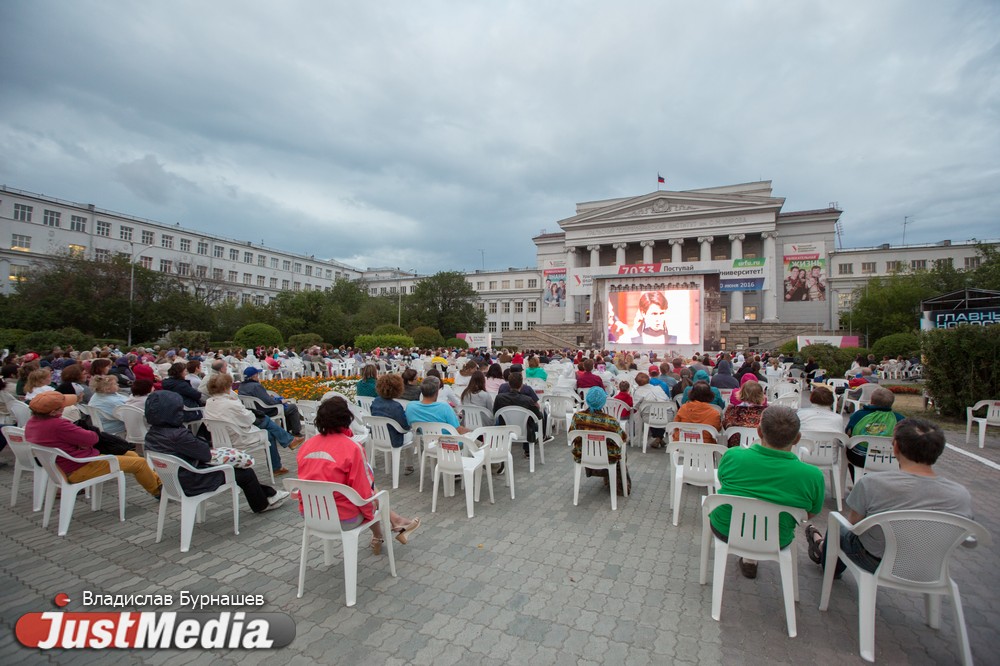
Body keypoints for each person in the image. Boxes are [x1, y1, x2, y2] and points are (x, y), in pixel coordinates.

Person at [804, 418, 972, 578]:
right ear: (939, 450)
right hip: (930, 567)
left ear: (896, 447)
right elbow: (966, 537)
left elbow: (854, 524)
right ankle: (820, 544)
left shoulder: (872, 483)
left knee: (839, 528)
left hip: (873, 560)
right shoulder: (960, 495)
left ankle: (826, 557)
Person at [710, 406, 825, 578]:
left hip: (726, 528)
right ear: (797, 439)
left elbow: (723, 480)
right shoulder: (812, 476)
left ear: (759, 432)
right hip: (777, 537)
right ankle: (750, 559)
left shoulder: (733, 456)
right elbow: (810, 513)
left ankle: (749, 559)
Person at [296, 397, 421, 554]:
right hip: (343, 518)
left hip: (310, 514)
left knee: (365, 492)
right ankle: (391, 524)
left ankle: (386, 529)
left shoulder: (307, 445)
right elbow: (364, 492)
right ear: (347, 419)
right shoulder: (351, 448)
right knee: (372, 494)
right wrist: (374, 511)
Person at [144, 390, 288, 513]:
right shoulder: (177, 435)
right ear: (172, 411)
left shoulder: (153, 433)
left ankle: (269, 494)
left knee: (239, 472)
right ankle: (261, 504)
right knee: (244, 473)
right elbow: (205, 454)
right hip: (193, 480)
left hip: (175, 480)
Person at [25, 391, 161, 498]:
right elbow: (92, 439)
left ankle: (159, 483)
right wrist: (81, 442)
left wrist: (78, 444)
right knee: (140, 463)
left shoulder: (32, 423)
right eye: (63, 406)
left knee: (130, 453)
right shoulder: (58, 425)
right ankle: (157, 491)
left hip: (65, 464)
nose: (66, 407)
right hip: (79, 467)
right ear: (53, 412)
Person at [205, 373, 303, 476]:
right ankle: (281, 457)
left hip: (219, 438)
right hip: (239, 437)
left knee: (268, 431)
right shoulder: (231, 403)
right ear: (226, 387)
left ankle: (282, 457)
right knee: (266, 424)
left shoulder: (209, 402)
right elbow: (249, 420)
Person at [569, 387, 630, 495]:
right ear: (603, 402)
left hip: (583, 455)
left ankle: (602, 473)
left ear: (587, 400)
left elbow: (572, 436)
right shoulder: (610, 421)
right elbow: (623, 438)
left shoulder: (577, 417)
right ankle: (620, 484)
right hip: (608, 458)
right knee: (621, 451)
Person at [845, 387, 905, 474]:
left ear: (871, 401)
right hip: (890, 459)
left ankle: (858, 480)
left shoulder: (859, 415)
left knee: (849, 448)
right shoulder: (900, 418)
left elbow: (848, 432)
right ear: (891, 403)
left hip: (860, 459)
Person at [239, 367, 304, 437]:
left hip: (253, 411)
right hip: (265, 411)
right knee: (292, 407)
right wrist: (280, 401)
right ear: (254, 376)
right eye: (257, 375)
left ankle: (286, 429)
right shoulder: (256, 386)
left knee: (287, 407)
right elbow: (269, 402)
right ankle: (296, 432)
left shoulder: (241, 386)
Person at [493, 372, 543, 458]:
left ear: (509, 383)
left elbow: (495, 413)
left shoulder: (499, 398)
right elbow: (538, 416)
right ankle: (528, 450)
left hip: (506, 429)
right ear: (521, 384)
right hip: (525, 431)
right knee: (530, 421)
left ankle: (501, 450)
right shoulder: (527, 400)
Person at [609, 291, 679, 344]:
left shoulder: (678, 339)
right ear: (643, 313)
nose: (658, 318)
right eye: (654, 314)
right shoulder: (627, 339)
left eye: (661, 313)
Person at [721, 380, 768, 448]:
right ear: (761, 395)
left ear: (741, 392)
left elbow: (725, 426)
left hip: (736, 449)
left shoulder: (732, 411)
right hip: (760, 449)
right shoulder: (767, 413)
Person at [370, 373, 411, 449]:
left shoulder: (376, 401)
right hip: (394, 440)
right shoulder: (396, 406)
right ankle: (410, 460)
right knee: (412, 436)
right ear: (398, 389)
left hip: (377, 437)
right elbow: (405, 427)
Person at [632, 372, 670, 449]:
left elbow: (635, 407)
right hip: (666, 415)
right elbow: (667, 399)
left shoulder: (638, 392)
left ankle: (655, 437)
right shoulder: (658, 388)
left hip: (650, 418)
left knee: (643, 414)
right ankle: (659, 438)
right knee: (655, 413)